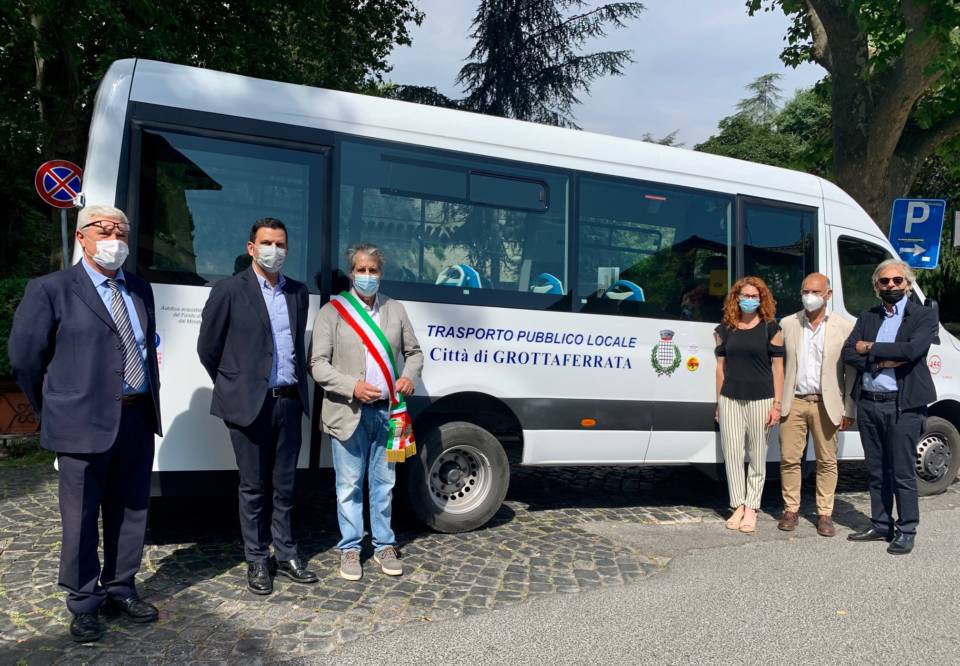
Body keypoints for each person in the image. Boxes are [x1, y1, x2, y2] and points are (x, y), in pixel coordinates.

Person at [8, 205, 162, 642]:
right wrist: (53, 409)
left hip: (136, 416)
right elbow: (25, 359)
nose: (114, 239)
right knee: (80, 517)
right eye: (103, 230)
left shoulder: (139, 288)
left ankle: (121, 587)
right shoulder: (51, 289)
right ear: (81, 236)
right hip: (79, 422)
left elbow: (143, 348)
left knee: (131, 510)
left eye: (121, 231)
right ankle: (84, 600)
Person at [197, 218, 316, 594]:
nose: (274, 250)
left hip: (289, 402)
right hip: (249, 404)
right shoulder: (229, 290)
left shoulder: (298, 292)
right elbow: (208, 348)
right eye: (267, 243)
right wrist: (237, 385)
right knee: (253, 487)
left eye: (280, 244)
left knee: (285, 485)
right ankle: (257, 559)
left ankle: (286, 553)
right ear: (251, 248)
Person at [310, 243, 423, 581]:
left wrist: (409, 376)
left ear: (381, 273)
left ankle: (384, 544)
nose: (367, 275)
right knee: (348, 485)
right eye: (362, 269)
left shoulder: (395, 310)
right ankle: (350, 548)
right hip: (348, 412)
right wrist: (352, 386)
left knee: (384, 484)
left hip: (388, 413)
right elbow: (318, 364)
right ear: (351, 273)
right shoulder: (332, 312)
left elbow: (414, 353)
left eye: (373, 270)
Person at [842, 259, 937, 555]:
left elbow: (912, 350)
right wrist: (883, 361)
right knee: (876, 470)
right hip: (869, 403)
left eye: (897, 280)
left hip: (902, 406)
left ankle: (907, 529)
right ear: (876, 286)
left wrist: (870, 348)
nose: (891, 285)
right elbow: (849, 352)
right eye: (884, 281)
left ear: (908, 283)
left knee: (902, 472)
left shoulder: (922, 315)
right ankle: (881, 524)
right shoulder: (868, 316)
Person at [777, 273, 856, 537]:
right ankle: (791, 509)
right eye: (805, 291)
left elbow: (850, 372)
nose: (809, 296)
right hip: (795, 401)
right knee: (789, 459)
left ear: (828, 295)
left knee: (827, 461)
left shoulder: (844, 327)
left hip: (827, 403)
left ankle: (824, 513)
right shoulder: (788, 324)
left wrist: (848, 408)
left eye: (815, 292)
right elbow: (778, 366)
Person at [714, 276, 784, 534]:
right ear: (736, 298)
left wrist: (777, 404)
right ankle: (738, 505)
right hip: (730, 398)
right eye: (745, 295)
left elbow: (778, 369)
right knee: (732, 453)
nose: (750, 300)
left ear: (762, 299)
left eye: (755, 296)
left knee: (757, 454)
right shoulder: (724, 329)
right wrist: (719, 402)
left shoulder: (771, 328)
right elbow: (720, 369)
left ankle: (752, 507)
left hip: (762, 399)